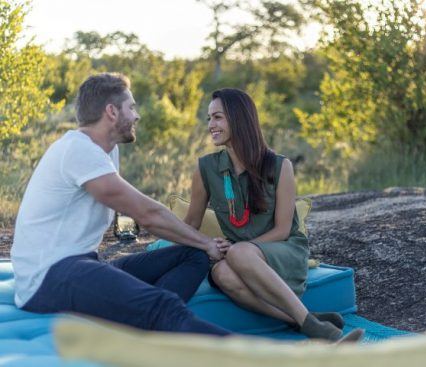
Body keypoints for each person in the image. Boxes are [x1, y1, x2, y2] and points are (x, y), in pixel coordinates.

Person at [10, 73, 231, 336]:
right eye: (132, 107)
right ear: (112, 112)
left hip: (86, 263)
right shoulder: (78, 150)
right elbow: (147, 214)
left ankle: (145, 317)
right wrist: (207, 241)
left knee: (192, 255)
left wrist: (201, 246)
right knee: (165, 305)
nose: (137, 115)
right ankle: (259, 358)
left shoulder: (107, 149)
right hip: (49, 278)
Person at [185, 88, 364, 342]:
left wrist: (240, 248)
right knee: (220, 273)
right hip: (243, 258)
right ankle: (305, 322)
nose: (210, 125)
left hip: (283, 252)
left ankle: (314, 328)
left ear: (239, 118)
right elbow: (190, 224)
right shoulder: (205, 168)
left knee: (238, 253)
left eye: (217, 117)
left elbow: (282, 230)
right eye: (208, 118)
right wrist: (207, 245)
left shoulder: (279, 166)